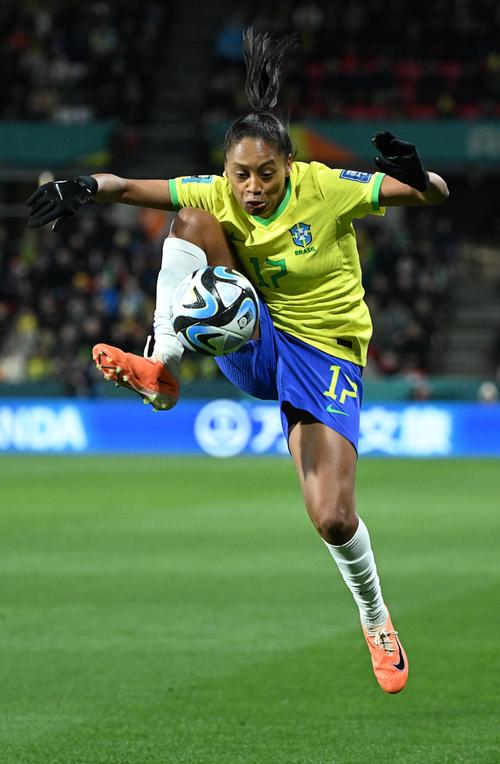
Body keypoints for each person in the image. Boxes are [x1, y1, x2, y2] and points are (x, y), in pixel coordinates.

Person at [27, 29, 449, 694]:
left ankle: (375, 618)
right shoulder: (217, 192)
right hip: (253, 337)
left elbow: (435, 193)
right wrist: (82, 185)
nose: (251, 188)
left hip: (325, 353)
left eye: (265, 174)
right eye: (240, 175)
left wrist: (415, 174)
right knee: (190, 220)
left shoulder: (326, 187)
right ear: (227, 170)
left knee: (334, 518)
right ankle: (162, 364)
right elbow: (130, 186)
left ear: (289, 166)